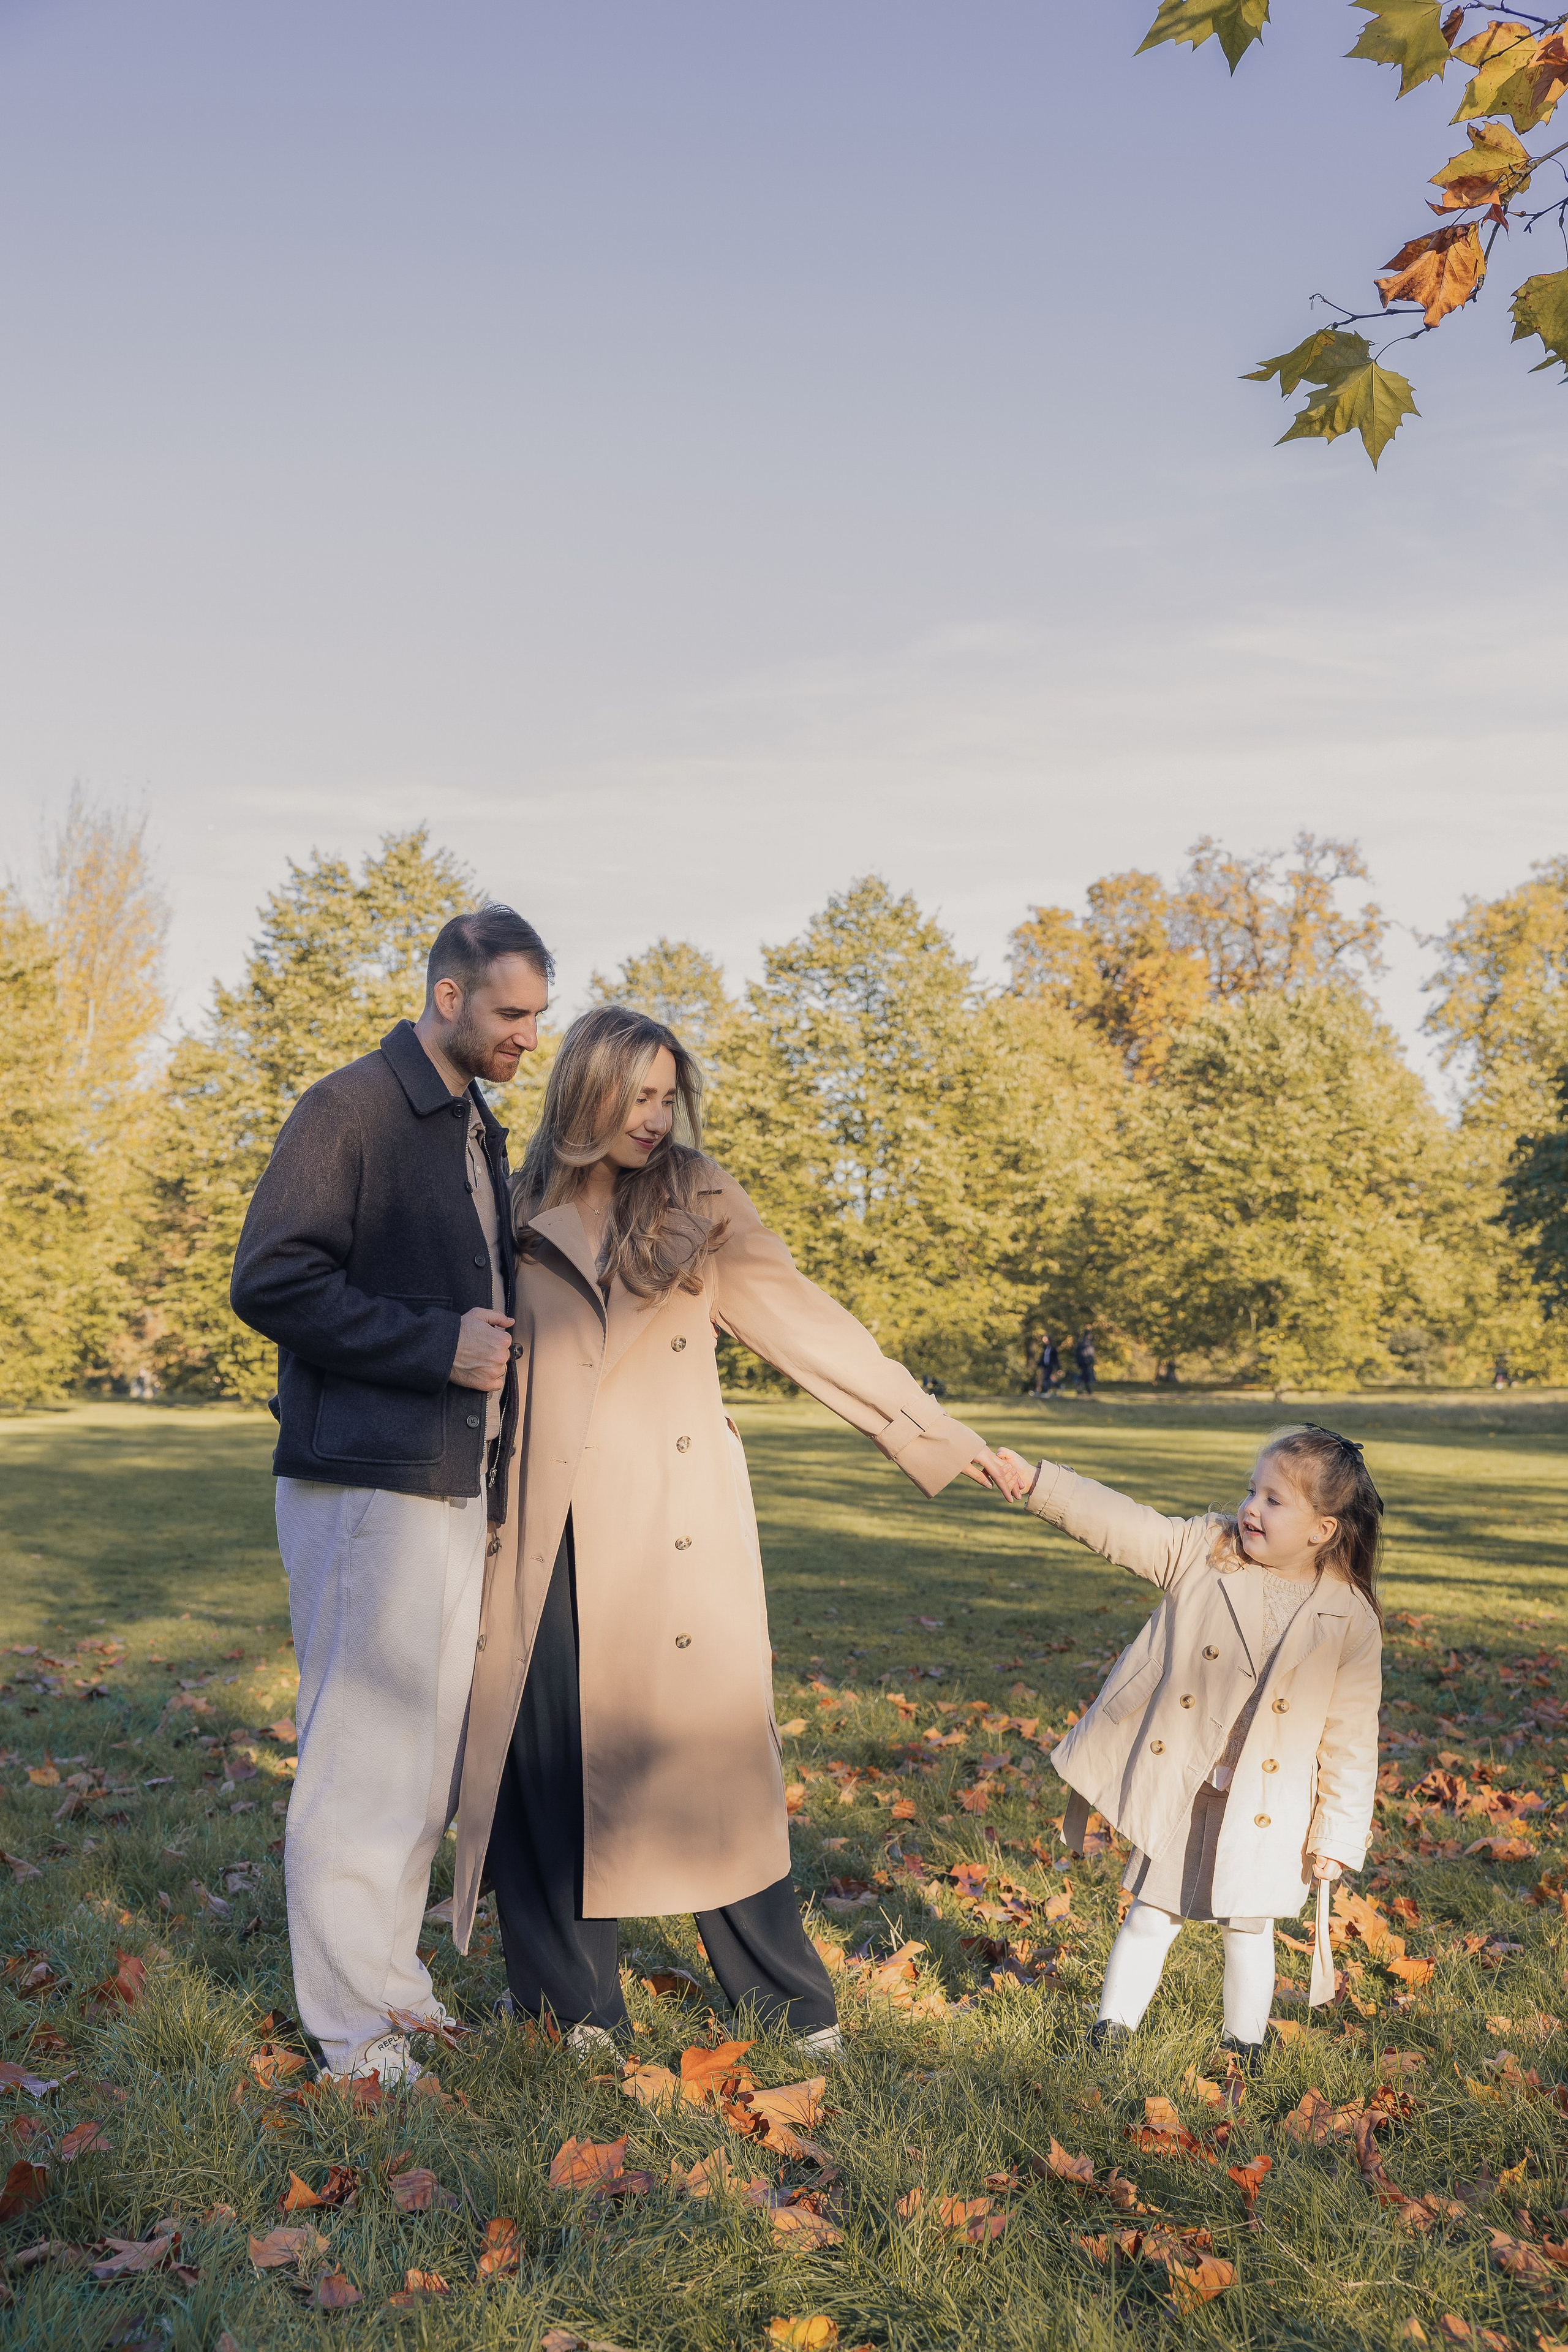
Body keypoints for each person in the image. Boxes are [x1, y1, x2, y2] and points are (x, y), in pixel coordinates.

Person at [450, 1005, 1025, 2055]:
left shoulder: (697, 1199)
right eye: (639, 1095)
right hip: (542, 1529)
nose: (657, 1115)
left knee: (712, 1766)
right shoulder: (513, 1201)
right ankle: (568, 2006)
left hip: (670, 1529)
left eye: (671, 1095)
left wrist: (931, 1432)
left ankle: (791, 2006)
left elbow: (802, 1320)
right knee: (549, 1765)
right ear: (587, 1091)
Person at [230, 905, 552, 2084]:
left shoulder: (472, 1120)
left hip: (445, 1485)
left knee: (420, 1761)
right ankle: (353, 2036)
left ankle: (395, 1990)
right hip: (363, 1483)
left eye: (538, 1016)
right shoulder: (350, 1108)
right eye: (513, 1013)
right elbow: (270, 1278)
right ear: (450, 996)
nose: (530, 1035)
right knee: (363, 1760)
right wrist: (435, 1347)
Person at [995, 1425, 1382, 2067]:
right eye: (1250, 1490)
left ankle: (1243, 2047)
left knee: (1248, 1929)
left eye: (1274, 1500)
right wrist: (1040, 1485)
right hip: (1184, 1785)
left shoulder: (1349, 1618)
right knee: (1150, 1913)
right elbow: (1122, 1523)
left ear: (1322, 1529)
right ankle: (1109, 2033)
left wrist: (1336, 1836)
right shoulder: (1205, 1553)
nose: (1251, 1509)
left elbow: (1351, 1740)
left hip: (1268, 1805)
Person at [1031, 1333, 1060, 1398]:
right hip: (1045, 1365)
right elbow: (1043, 1357)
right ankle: (1056, 1387)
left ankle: (1046, 1392)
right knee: (1045, 1378)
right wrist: (1039, 1364)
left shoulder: (1052, 1348)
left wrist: (1058, 1368)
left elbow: (1056, 1359)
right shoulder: (1045, 1348)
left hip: (1050, 1366)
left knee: (1047, 1378)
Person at [1073, 1327, 1097, 1396]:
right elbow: (1089, 1354)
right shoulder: (1087, 1344)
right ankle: (1085, 1390)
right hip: (1085, 1363)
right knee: (1085, 1376)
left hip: (1084, 1362)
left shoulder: (1083, 1344)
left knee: (1085, 1376)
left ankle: (1083, 1390)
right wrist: (1091, 1361)